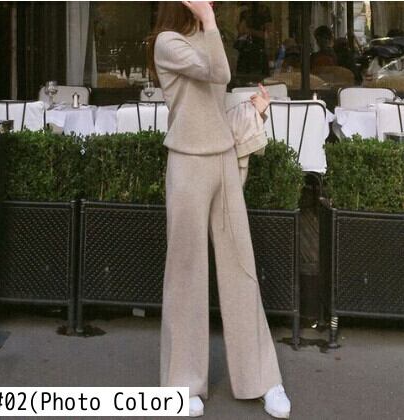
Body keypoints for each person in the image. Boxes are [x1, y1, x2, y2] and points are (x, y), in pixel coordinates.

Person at [147, 1, 291, 418]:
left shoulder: (206, 38)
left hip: (222, 157)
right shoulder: (168, 42)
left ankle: (263, 378)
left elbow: (215, 102)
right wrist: (211, 23)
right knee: (186, 272)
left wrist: (251, 112)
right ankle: (181, 384)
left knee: (240, 267)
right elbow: (220, 73)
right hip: (187, 162)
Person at [235, 2, 272, 76]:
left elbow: (267, 34)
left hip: (259, 53)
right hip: (245, 53)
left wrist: (250, 31)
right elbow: (241, 31)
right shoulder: (244, 12)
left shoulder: (264, 11)